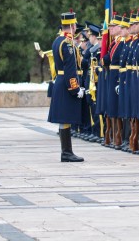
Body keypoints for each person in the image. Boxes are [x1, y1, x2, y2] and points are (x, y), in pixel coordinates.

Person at [48, 10, 86, 162]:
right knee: (65, 118)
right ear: (71, 25)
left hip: (60, 81)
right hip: (66, 84)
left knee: (64, 119)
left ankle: (66, 152)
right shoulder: (67, 44)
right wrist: (75, 88)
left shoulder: (58, 40)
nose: (76, 26)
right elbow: (70, 70)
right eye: (75, 24)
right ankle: (66, 152)